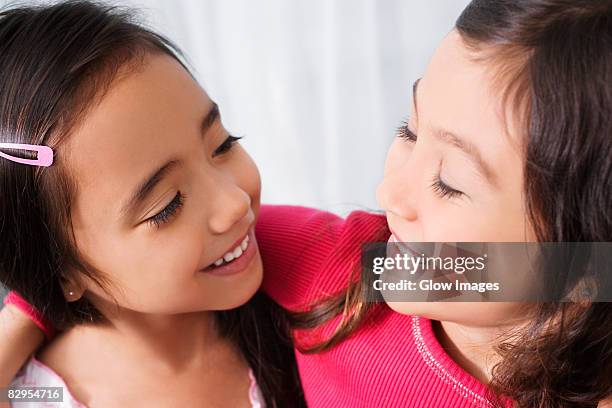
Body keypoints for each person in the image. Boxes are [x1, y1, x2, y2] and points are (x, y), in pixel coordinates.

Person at [3, 0, 612, 407]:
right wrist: (30, 311)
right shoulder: (356, 271)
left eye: (449, 182)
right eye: (408, 129)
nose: (385, 196)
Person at [0, 1, 303, 407]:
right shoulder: (34, 397)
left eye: (222, 145)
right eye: (168, 205)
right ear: (65, 271)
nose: (233, 204)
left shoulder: (296, 258)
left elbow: (411, 269)